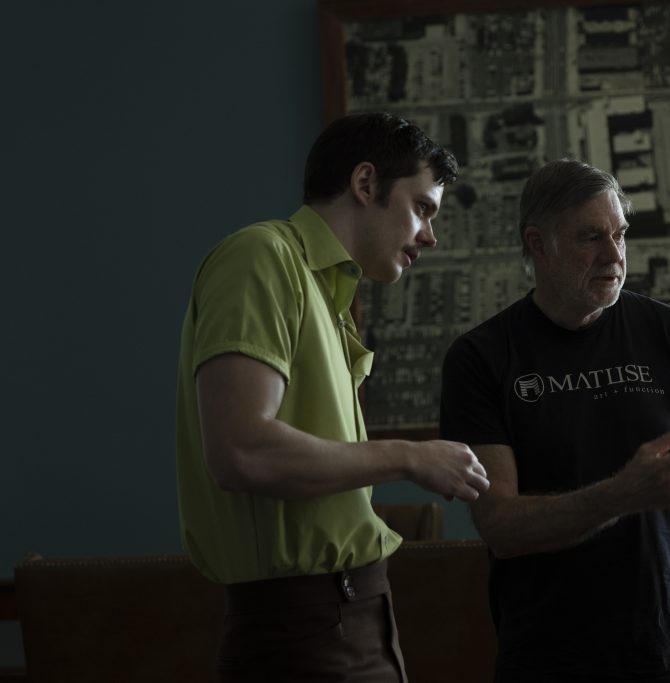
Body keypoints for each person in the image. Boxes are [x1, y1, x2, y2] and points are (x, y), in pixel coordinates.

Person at [175, 112, 490, 682]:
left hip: (355, 613)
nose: (430, 236)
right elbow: (241, 450)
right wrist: (410, 456)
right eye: (422, 207)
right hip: (303, 628)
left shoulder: (327, 292)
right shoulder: (262, 257)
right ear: (365, 183)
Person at [440, 159, 670, 682]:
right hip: (549, 657)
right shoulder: (482, 358)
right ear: (538, 244)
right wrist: (623, 494)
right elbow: (501, 525)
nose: (614, 255)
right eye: (591, 237)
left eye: (620, 234)